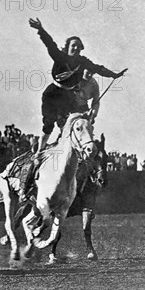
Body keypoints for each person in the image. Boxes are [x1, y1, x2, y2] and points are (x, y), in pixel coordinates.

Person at [20, 18, 128, 205]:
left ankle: (70, 155)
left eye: (78, 46)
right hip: (53, 94)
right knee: (48, 124)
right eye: (73, 46)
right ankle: (39, 152)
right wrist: (40, 28)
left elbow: (99, 69)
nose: (76, 49)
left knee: (77, 122)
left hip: (69, 97)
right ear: (67, 47)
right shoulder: (59, 57)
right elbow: (49, 43)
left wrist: (115, 75)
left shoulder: (83, 62)